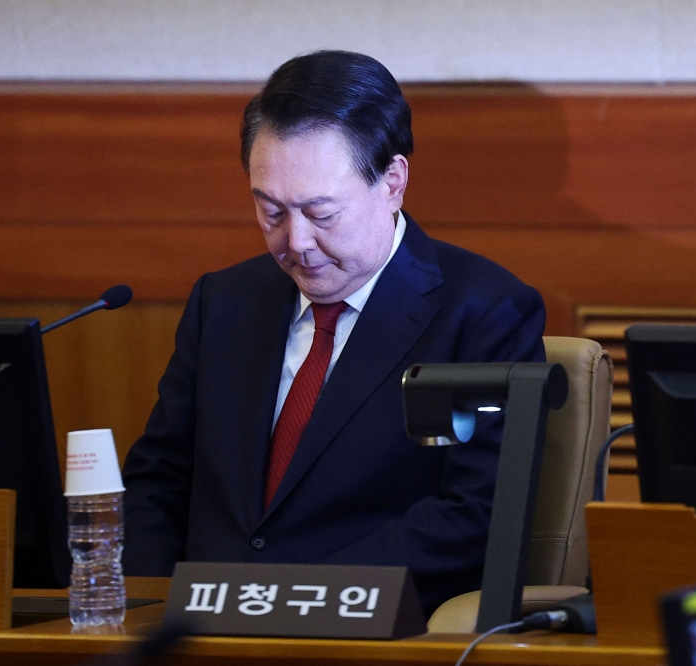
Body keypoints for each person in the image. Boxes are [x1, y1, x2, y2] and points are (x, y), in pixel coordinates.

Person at [121, 50, 545, 617]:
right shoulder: (223, 302)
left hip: (365, 629)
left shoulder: (485, 313)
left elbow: (477, 512)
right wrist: (145, 608)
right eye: (270, 211)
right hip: (195, 632)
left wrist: (287, 599)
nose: (294, 242)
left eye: (321, 214)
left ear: (392, 182)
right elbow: (159, 479)